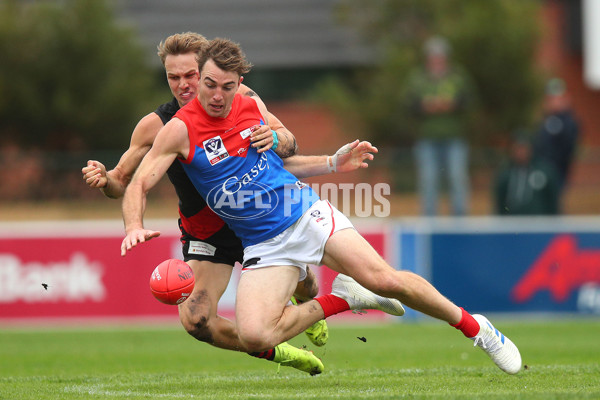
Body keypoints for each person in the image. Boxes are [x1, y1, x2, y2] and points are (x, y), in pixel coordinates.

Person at [120, 37, 522, 375]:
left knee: (385, 279)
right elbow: (139, 182)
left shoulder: (249, 106)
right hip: (262, 245)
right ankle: (345, 298)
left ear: (239, 83)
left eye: (227, 86)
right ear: (200, 78)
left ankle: (479, 330)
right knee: (256, 335)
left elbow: (285, 155)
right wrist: (134, 225)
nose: (216, 95)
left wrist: (332, 162)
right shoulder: (177, 130)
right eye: (209, 84)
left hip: (304, 214)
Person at [82, 32, 377, 376]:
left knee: (308, 285)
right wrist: (105, 180)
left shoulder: (243, 98)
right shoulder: (157, 125)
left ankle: (304, 306)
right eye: (172, 78)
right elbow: (123, 183)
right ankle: (277, 350)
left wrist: (276, 137)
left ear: (208, 71)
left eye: (191, 76)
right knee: (196, 321)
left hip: (260, 220)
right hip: (208, 234)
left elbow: (288, 144)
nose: (183, 85)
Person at [405, 35, 475, 216]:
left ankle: (460, 221)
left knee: (457, 178)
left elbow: (469, 101)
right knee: (428, 180)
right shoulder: (418, 79)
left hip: (454, 137)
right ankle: (430, 223)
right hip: (427, 139)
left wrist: (452, 105)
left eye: (440, 57)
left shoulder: (458, 77)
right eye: (433, 57)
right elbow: (408, 104)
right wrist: (425, 106)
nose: (437, 61)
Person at [532, 78, 579, 204]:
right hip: (541, 172)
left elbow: (567, 147)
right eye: (550, 99)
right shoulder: (546, 121)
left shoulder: (568, 122)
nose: (553, 102)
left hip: (557, 173)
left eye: (557, 98)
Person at [494, 132, 560, 215]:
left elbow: (553, 201)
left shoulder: (545, 171)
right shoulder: (505, 174)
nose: (521, 152)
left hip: (539, 223)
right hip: (512, 223)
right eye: (517, 148)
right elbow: (500, 203)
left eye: (524, 148)